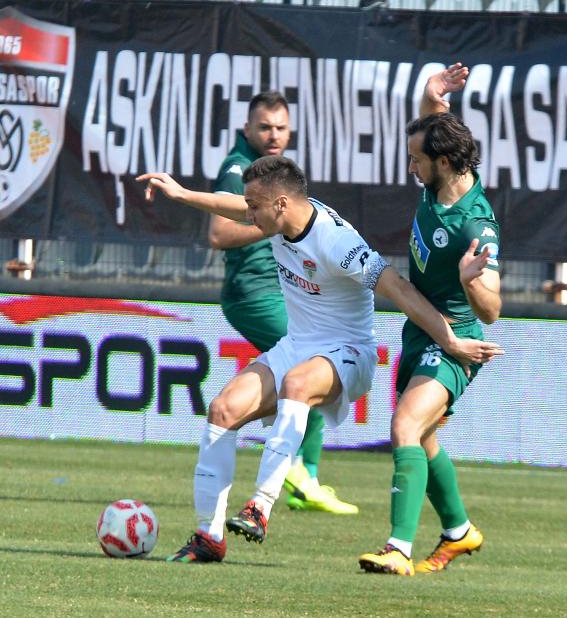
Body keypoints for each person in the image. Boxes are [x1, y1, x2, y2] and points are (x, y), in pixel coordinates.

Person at [137, 154, 502, 564]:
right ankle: (209, 536)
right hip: (297, 345)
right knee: (223, 409)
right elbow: (234, 206)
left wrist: (449, 339)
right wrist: (181, 194)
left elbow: (398, 288)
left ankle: (260, 506)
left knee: (297, 383)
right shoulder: (277, 216)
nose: (248, 215)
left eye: (254, 207)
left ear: (280, 204)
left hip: (348, 352)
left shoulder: (336, 242)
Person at [358, 63, 502, 576]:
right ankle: (459, 532)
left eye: (416, 160)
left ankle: (397, 548)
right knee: (423, 437)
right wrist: (431, 94)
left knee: (404, 425)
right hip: (420, 332)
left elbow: (492, 309)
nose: (410, 167)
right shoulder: (438, 181)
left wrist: (471, 281)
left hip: (455, 340)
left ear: (443, 163)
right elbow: (429, 132)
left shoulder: (475, 225)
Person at [208, 90, 357, 514]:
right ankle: (301, 475)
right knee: (315, 362)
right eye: (264, 127)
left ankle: (298, 472)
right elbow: (218, 233)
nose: (273, 135)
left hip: (279, 291)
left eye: (280, 128)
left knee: (309, 373)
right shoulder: (238, 169)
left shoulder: (272, 174)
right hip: (253, 292)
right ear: (246, 129)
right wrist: (273, 224)